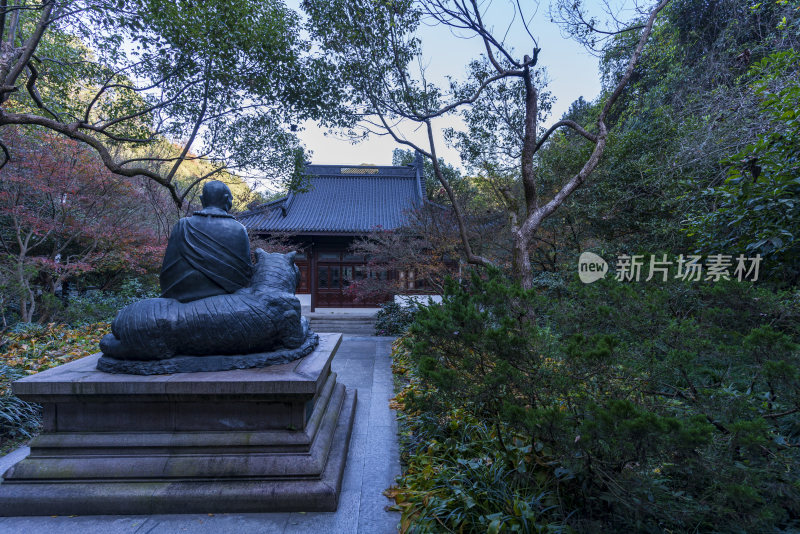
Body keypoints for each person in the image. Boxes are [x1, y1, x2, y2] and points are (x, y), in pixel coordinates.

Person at [159, 180, 252, 302]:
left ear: (202, 199)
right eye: (231, 199)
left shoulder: (182, 225)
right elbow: (245, 276)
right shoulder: (239, 229)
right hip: (226, 299)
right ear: (226, 199)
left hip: (181, 295)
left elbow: (167, 271)